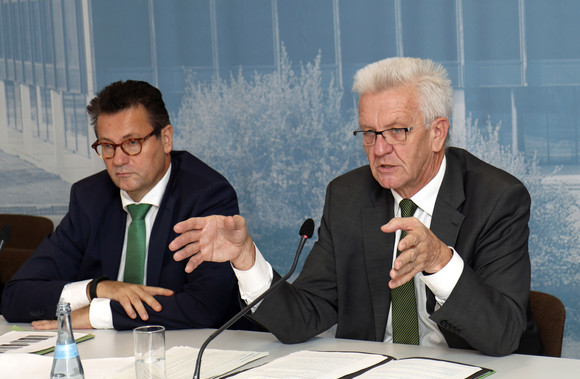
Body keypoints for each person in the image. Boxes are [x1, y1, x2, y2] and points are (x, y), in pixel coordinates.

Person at [168, 57, 543, 357]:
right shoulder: (348, 195)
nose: (379, 150)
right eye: (369, 133)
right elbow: (303, 318)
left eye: (397, 131)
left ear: (437, 133)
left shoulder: (497, 198)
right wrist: (247, 259)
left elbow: (503, 336)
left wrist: (440, 261)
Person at [2, 80, 242, 331]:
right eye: (107, 146)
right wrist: (97, 288)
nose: (118, 160)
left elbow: (205, 307)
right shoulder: (89, 198)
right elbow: (16, 296)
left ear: (166, 139)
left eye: (132, 143)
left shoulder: (206, 195)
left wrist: (97, 314)